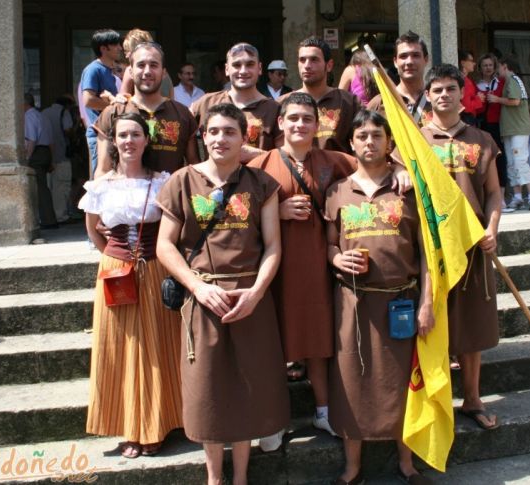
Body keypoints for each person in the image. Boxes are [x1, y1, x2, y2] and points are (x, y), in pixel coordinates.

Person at [155, 103, 289, 485]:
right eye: (213, 131)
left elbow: (273, 246)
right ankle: (215, 477)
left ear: (243, 136)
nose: (220, 139)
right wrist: (196, 287)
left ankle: (242, 476)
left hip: (249, 296)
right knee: (208, 390)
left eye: (229, 131)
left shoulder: (260, 183)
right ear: (202, 135)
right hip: (203, 297)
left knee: (248, 386)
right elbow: (165, 246)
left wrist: (257, 293)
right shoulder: (182, 181)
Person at [325, 110, 432, 485]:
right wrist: (338, 257)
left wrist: (428, 303)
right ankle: (353, 467)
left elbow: (426, 253)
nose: (369, 142)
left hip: (400, 302)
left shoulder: (408, 189)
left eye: (376, 135)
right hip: (353, 304)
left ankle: (408, 464)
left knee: (404, 383)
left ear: (389, 143)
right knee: (351, 384)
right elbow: (328, 245)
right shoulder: (337, 191)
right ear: (351, 144)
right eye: (361, 136)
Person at [247, 93, 357, 446]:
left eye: (307, 119)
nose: (299, 125)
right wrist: (274, 211)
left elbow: (374, 166)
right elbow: (238, 214)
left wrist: (400, 174)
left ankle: (323, 410)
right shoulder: (260, 164)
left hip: (318, 267)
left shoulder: (333, 160)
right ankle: (274, 419)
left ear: (317, 124)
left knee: (318, 341)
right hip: (274, 267)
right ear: (280, 123)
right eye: (292, 118)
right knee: (272, 342)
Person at [79, 112, 184, 459]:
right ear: (113, 141)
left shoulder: (163, 181)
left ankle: (158, 423)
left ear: (146, 140)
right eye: (122, 135)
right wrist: (116, 258)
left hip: (155, 269)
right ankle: (129, 428)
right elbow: (94, 229)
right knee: (121, 347)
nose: (128, 141)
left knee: (157, 347)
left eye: (135, 134)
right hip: (116, 272)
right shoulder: (100, 185)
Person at [421, 64, 502, 430]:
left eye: (451, 88)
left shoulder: (481, 139)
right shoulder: (416, 140)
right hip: (431, 250)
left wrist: (493, 228)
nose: (444, 95)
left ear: (462, 94)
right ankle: (434, 404)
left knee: (471, 328)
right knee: (432, 327)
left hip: (471, 247)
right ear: (427, 95)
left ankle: (471, 398)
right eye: (436, 89)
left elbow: (495, 192)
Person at [94, 42, 199, 178]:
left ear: (164, 72)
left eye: (154, 65)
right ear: (130, 72)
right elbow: (103, 170)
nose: (147, 71)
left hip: (170, 196)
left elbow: (194, 165)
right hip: (126, 196)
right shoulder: (113, 113)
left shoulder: (183, 114)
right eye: (141, 65)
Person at [192, 43, 281, 154]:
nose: (243, 71)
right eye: (237, 65)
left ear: (259, 68)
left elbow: (286, 157)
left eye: (250, 64)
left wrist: (256, 155)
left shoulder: (274, 109)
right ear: (227, 69)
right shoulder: (206, 103)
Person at [279, 37, 360, 153]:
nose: (307, 65)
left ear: (329, 65)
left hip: (338, 170)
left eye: (314, 60)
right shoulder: (282, 103)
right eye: (302, 60)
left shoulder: (349, 102)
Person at [487, 56, 530, 211]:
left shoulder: (513, 80)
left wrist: (497, 99)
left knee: (520, 161)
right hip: (511, 129)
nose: (497, 70)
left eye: (499, 67)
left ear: (505, 66)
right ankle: (518, 197)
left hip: (517, 128)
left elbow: (515, 101)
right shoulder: (512, 80)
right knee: (512, 163)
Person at [80, 29, 122, 177]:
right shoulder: (93, 69)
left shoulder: (110, 71)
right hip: (99, 134)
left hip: (111, 133)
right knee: (100, 180)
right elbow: (88, 100)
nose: (120, 48)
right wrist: (114, 105)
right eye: (115, 44)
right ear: (103, 48)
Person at [367, 31, 431, 128]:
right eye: (403, 56)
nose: (409, 61)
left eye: (416, 55)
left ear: (426, 60)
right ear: (395, 62)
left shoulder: (437, 100)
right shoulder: (379, 103)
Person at [477, 53, 508, 207]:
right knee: (485, 159)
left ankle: (501, 196)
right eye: (485, 65)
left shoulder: (501, 83)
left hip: (498, 125)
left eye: (490, 65)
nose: (488, 68)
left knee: (500, 158)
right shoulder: (477, 86)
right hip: (483, 126)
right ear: (480, 68)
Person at [24, 93, 58, 229]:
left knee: (40, 187)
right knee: (43, 186)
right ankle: (48, 218)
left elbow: (31, 139)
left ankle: (47, 220)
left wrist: (27, 158)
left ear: (24, 103)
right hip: (45, 152)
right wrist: (52, 159)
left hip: (37, 152)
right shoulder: (42, 116)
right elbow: (51, 141)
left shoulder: (28, 116)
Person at [43, 94, 76, 223]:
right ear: (67, 105)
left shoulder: (44, 112)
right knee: (62, 187)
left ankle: (49, 215)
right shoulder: (65, 112)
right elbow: (68, 131)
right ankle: (61, 216)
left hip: (48, 155)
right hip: (61, 154)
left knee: (50, 187)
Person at [118, 29, 174, 101]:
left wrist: (110, 98)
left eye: (127, 51)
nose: (126, 56)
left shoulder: (130, 70)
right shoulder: (164, 73)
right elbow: (172, 100)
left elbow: (122, 100)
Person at [458, 49, 485, 126]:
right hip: (466, 120)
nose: (474, 63)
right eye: (471, 60)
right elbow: (466, 107)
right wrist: (479, 99)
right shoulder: (464, 81)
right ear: (463, 63)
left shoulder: (465, 79)